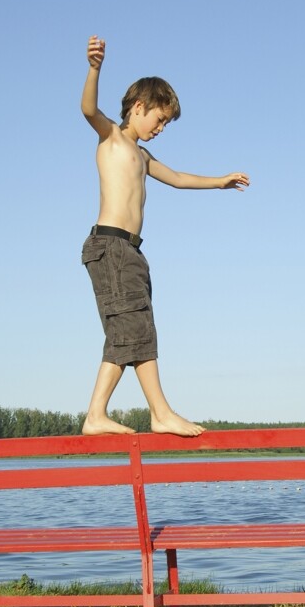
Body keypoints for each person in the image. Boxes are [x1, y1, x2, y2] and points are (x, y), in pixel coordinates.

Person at [80, 36, 250, 436]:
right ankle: (156, 413)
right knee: (134, 328)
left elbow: (176, 178)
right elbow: (88, 108)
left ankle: (103, 415)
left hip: (128, 251)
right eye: (159, 120)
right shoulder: (111, 137)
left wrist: (219, 182)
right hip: (111, 245)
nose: (160, 128)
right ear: (138, 107)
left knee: (131, 331)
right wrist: (94, 68)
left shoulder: (142, 156)